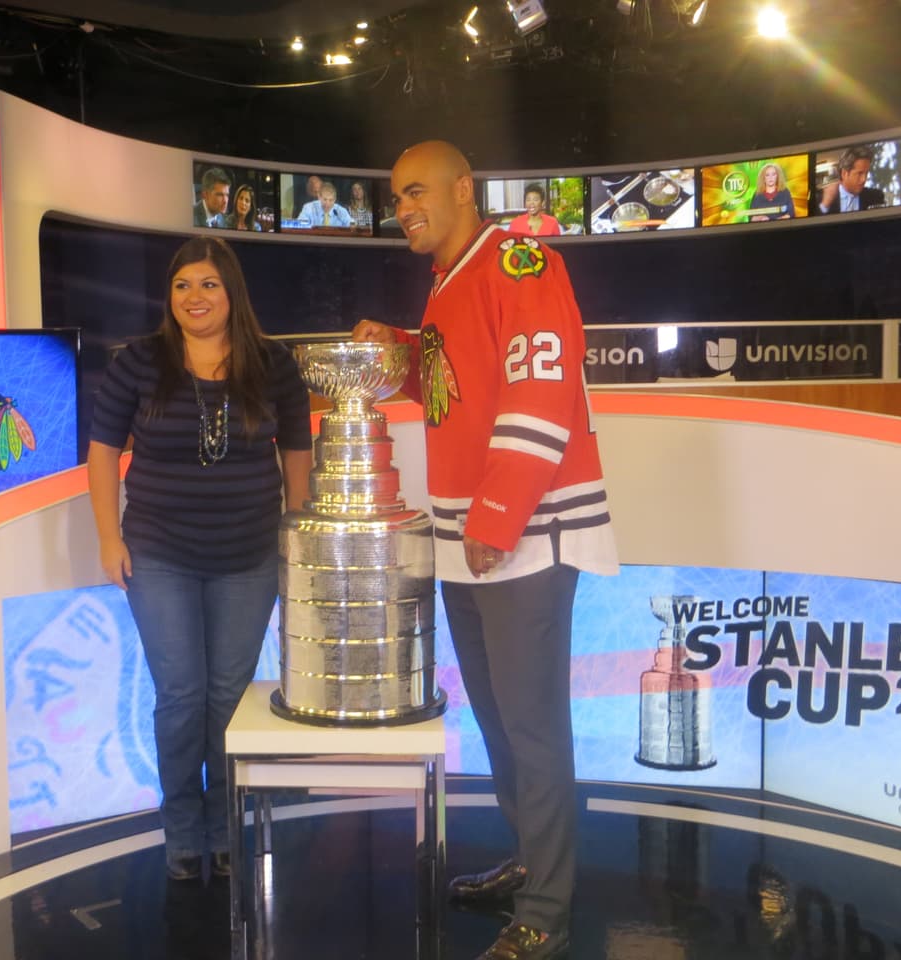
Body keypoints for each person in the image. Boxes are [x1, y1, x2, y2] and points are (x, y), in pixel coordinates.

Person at [352, 141, 617, 960]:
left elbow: (540, 391)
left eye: (419, 191)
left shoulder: (520, 259)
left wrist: (498, 519)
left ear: (466, 189)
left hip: (523, 539)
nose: (406, 209)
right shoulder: (447, 281)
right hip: (468, 540)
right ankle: (535, 861)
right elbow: (451, 381)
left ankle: (547, 907)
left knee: (533, 727)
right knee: (501, 722)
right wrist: (393, 350)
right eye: (398, 199)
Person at [87, 236, 312, 882]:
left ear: (232, 291)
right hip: (159, 555)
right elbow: (103, 452)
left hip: (248, 557)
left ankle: (224, 827)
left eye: (208, 284)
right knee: (181, 695)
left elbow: (297, 454)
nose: (195, 297)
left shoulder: (272, 365)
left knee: (226, 698)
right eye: (183, 285)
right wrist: (109, 536)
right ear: (169, 296)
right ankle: (183, 831)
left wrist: (295, 536)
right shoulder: (138, 363)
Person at [818, 145, 885, 214]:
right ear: (844, 173)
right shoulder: (822, 199)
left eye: (866, 173)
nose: (864, 179)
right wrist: (825, 205)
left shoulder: (876, 196)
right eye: (859, 173)